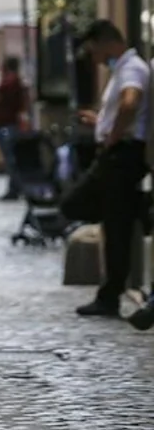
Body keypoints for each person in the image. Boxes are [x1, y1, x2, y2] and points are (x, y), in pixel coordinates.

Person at [58, 19, 149, 318]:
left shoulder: (132, 68)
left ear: (106, 43)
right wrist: (102, 122)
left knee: (79, 206)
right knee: (115, 224)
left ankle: (141, 209)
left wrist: (113, 136)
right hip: (118, 154)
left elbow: (130, 102)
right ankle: (109, 294)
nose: (95, 59)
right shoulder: (122, 69)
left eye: (94, 51)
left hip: (120, 156)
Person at [0, 56, 30, 201]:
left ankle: (14, 189)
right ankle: (16, 187)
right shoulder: (18, 82)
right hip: (12, 124)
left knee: (10, 159)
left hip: (6, 124)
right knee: (13, 158)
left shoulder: (8, 83)